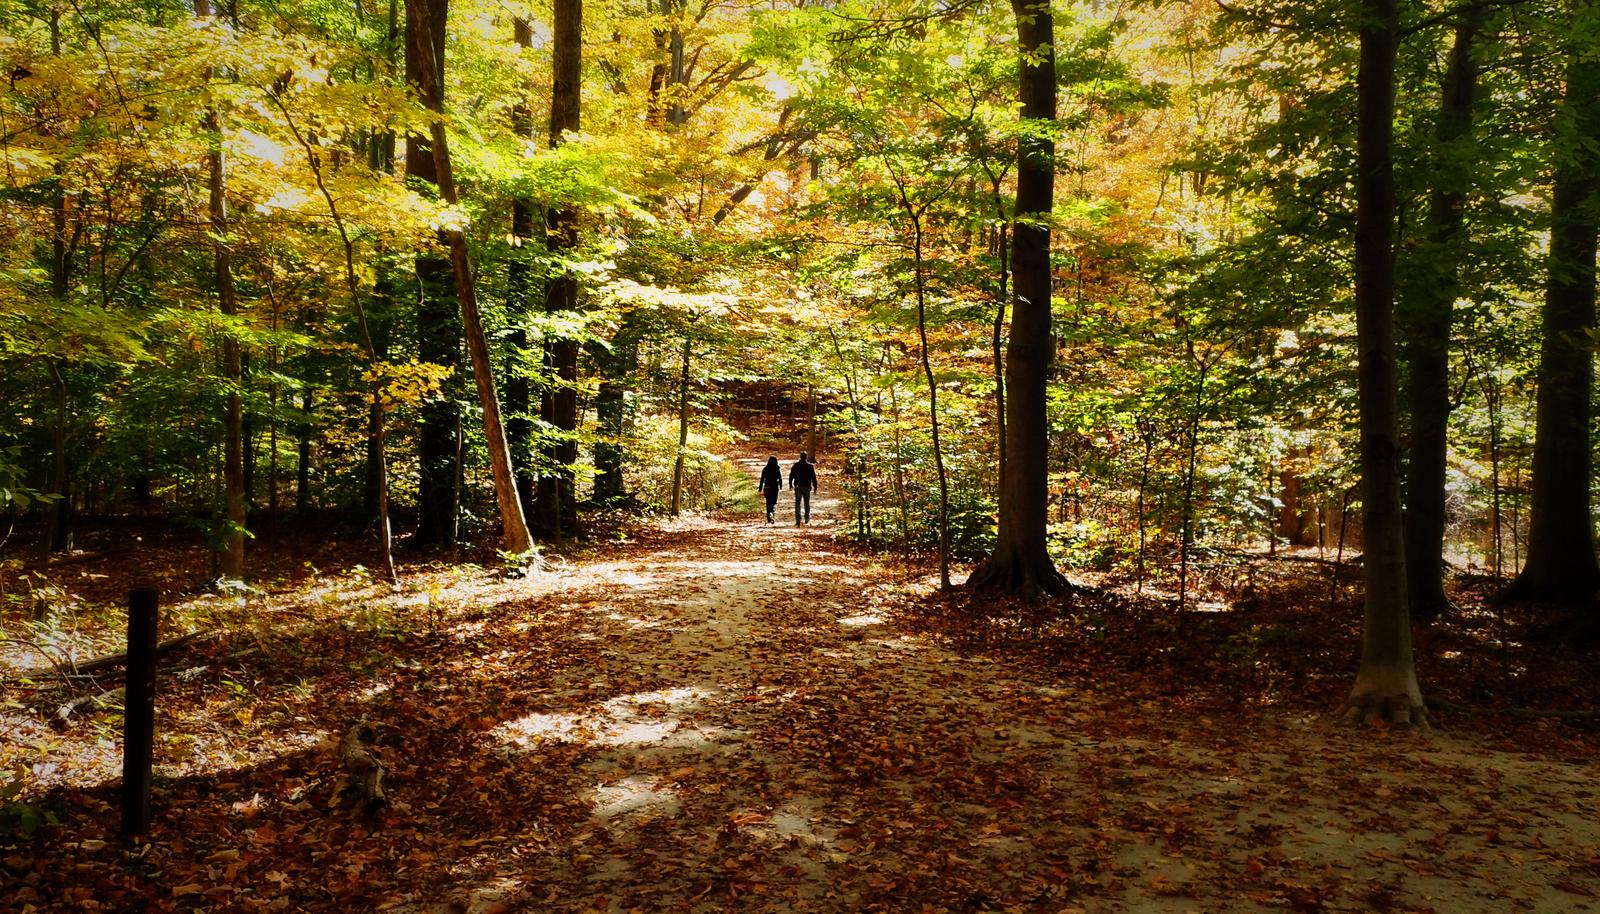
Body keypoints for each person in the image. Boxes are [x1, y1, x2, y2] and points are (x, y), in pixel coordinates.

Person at [789, 452, 818, 525]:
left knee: (797, 503)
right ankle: (806, 517)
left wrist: (790, 484)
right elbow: (813, 477)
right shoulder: (810, 466)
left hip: (798, 486)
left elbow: (791, 475)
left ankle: (798, 518)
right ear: (806, 457)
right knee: (806, 503)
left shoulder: (796, 465)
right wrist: (815, 487)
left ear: (800, 457)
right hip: (807, 487)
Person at [758, 456, 783, 523]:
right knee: (774, 502)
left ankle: (769, 517)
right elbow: (780, 478)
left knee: (768, 503)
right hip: (775, 487)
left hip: (767, 487)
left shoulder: (765, 468)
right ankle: (772, 513)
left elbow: (762, 479)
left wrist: (760, 488)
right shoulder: (777, 468)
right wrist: (780, 485)